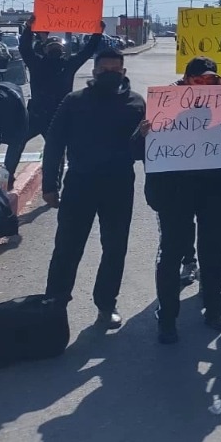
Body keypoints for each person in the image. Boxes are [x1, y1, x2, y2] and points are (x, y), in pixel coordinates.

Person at [142, 57, 221, 343]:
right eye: (200, 79)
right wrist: (142, 134)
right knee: (171, 252)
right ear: (188, 79)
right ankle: (167, 317)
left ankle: (214, 309)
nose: (206, 85)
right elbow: (136, 148)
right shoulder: (166, 103)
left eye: (211, 80)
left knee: (212, 251)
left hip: (213, 190)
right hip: (175, 193)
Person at [42, 48, 145, 330]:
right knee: (67, 247)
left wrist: (145, 137)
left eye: (115, 69)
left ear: (123, 72)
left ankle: (106, 303)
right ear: (95, 71)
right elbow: (54, 143)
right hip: (80, 184)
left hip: (119, 185)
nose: (109, 74)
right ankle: (54, 304)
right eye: (104, 69)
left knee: (114, 248)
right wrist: (49, 184)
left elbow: (147, 150)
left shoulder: (137, 104)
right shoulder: (74, 101)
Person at [10, 15, 104, 189]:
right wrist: (29, 28)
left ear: (63, 50)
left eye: (58, 46)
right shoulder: (37, 63)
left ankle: (54, 188)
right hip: (35, 115)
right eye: (51, 46)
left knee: (57, 153)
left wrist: (97, 32)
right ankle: (8, 177)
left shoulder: (68, 64)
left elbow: (87, 51)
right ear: (45, 49)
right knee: (17, 142)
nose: (55, 48)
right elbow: (25, 48)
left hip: (58, 116)